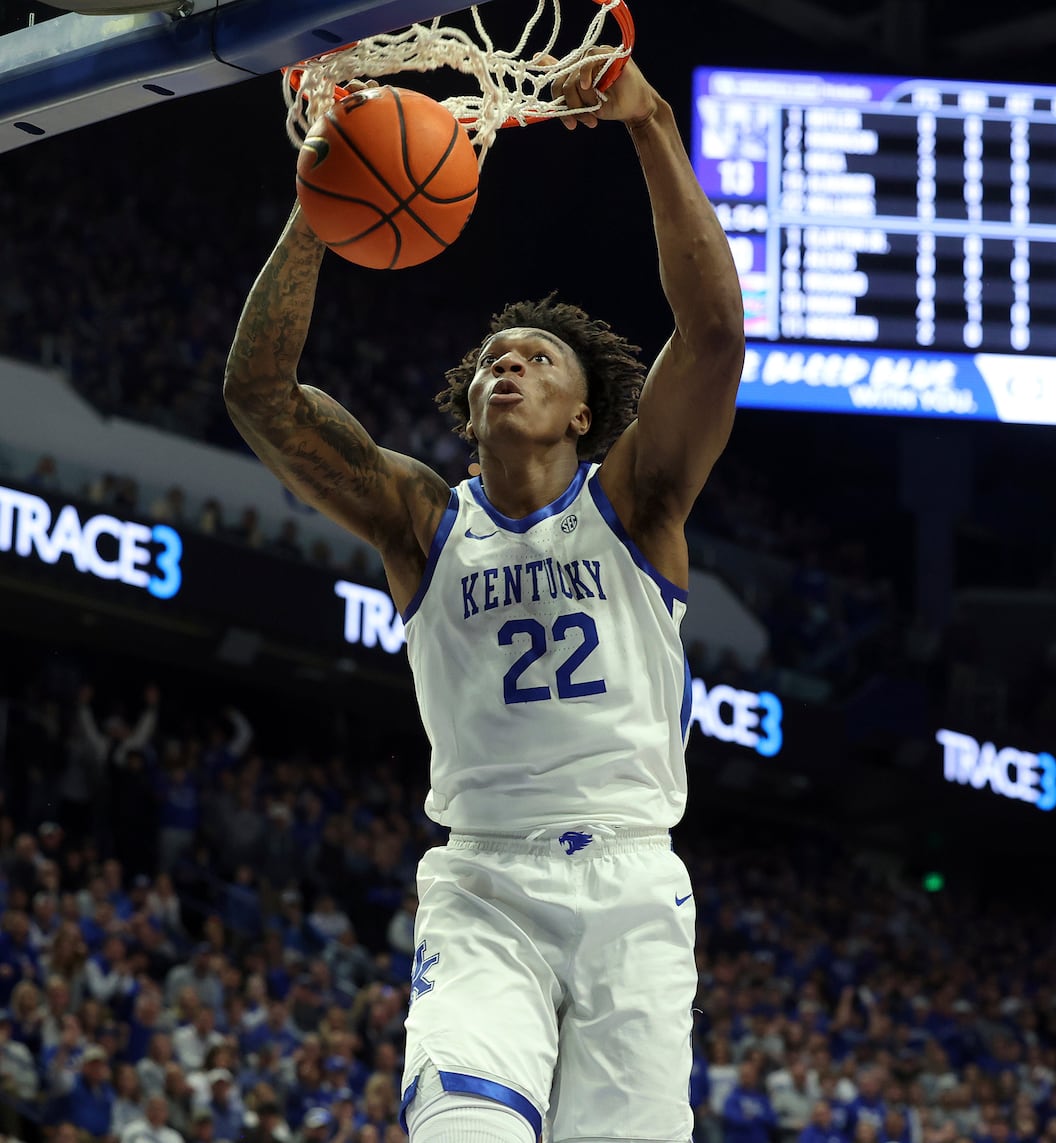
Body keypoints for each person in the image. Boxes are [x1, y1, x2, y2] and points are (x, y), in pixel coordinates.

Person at [223, 41, 742, 1143]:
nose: (510, 363)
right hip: (485, 885)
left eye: (539, 359)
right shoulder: (421, 520)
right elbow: (260, 393)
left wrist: (649, 123)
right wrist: (323, 201)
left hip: (634, 883)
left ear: (585, 413)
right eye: (495, 356)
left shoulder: (638, 504)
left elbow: (714, 336)